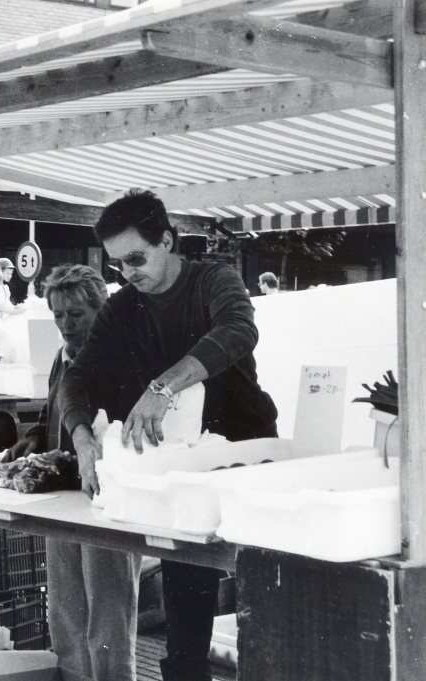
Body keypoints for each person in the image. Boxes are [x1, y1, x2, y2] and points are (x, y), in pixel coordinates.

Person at [58, 189, 277, 681]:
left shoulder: (212, 279)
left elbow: (239, 329)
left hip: (247, 452)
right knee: (186, 583)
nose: (127, 272)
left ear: (168, 241)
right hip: (183, 464)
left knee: (261, 583)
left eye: (136, 258)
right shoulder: (122, 308)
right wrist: (80, 435)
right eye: (117, 265)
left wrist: (163, 387)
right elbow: (80, 375)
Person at [6, 264, 140, 681]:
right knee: (63, 601)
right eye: (59, 315)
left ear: (100, 311)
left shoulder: (122, 358)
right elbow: (54, 408)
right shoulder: (62, 357)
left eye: (76, 315)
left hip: (105, 499)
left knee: (109, 604)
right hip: (61, 497)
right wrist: (32, 438)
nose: (66, 324)